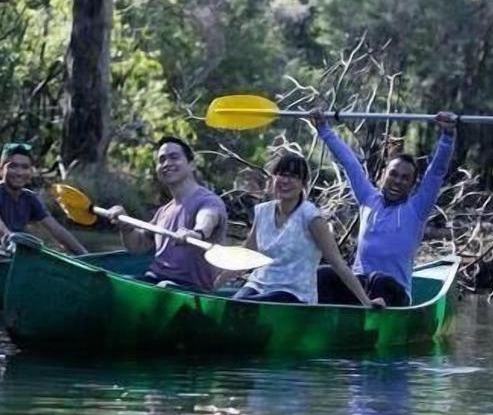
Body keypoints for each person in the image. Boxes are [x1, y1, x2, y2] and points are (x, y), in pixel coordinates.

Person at [309, 109, 456, 306]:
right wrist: (323, 128)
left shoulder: (417, 208)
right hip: (361, 289)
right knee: (324, 274)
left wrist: (448, 135)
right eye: (393, 174)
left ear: (412, 184)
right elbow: (349, 163)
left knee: (379, 280)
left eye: (405, 178)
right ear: (384, 175)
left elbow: (436, 171)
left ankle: (376, 319)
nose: (398, 181)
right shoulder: (368, 198)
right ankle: (330, 318)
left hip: (394, 292)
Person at [231, 153, 384, 308]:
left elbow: (337, 263)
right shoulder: (262, 212)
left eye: (293, 176)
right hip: (258, 285)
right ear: (273, 178)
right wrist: (218, 280)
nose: (286, 181)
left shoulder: (311, 217)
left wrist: (366, 301)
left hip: (293, 292)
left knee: (247, 306)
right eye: (282, 174)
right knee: (233, 305)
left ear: (303, 184)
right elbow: (246, 256)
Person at [101, 136, 228, 292]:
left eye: (174, 157)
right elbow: (138, 246)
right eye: (161, 160)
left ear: (192, 165)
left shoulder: (209, 201)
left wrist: (197, 233)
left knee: (162, 287)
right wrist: (126, 227)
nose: (167, 163)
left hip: (190, 290)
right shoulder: (163, 211)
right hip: (155, 279)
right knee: (117, 281)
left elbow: (208, 217)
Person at [0, 142, 88, 256]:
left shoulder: (30, 198)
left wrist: (85, 255)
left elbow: (57, 230)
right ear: (1, 170)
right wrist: (11, 240)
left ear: (31, 171)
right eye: (13, 166)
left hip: (13, 254)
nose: (19, 173)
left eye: (25, 167)